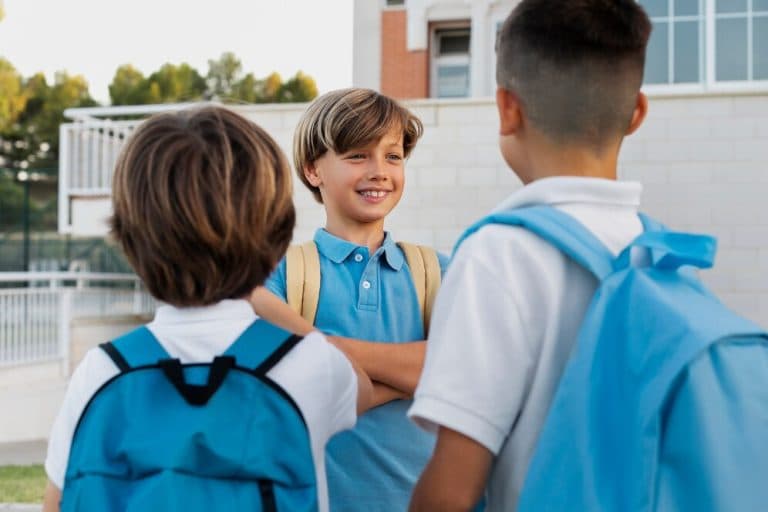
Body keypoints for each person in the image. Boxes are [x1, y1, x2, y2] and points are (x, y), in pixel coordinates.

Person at [41, 106, 373, 512]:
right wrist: (262, 295)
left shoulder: (101, 371)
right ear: (276, 241)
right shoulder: (311, 366)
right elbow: (363, 383)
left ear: (130, 241)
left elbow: (57, 503)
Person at [408, 0, 652, 510]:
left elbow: (451, 491)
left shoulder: (496, 255)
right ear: (636, 113)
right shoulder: (661, 254)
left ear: (506, 108)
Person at [262, 87, 449, 512]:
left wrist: (318, 351)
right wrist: (416, 371)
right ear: (313, 170)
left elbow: (461, 375)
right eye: (357, 155)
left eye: (393, 156)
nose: (380, 170)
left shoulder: (439, 272)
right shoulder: (281, 276)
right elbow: (285, 391)